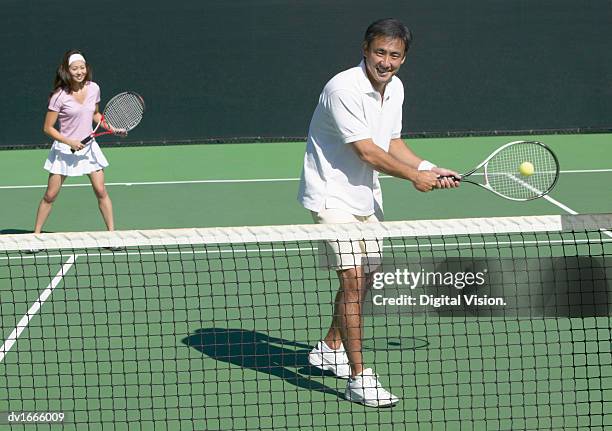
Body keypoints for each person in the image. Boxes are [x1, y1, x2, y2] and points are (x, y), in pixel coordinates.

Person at [297, 18, 459, 407]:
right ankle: (358, 377)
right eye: (380, 52)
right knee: (353, 281)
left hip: (366, 198)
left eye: (395, 55)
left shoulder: (396, 88)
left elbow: (393, 143)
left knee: (365, 281)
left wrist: (427, 168)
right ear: (365, 50)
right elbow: (367, 152)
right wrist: (412, 179)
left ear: (404, 58)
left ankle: (329, 347)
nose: (386, 62)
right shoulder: (342, 89)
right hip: (331, 197)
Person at [33, 49, 115, 234]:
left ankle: (112, 234)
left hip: (88, 149)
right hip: (64, 149)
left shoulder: (94, 88)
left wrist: (111, 126)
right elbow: (48, 128)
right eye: (75, 68)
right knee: (50, 195)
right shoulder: (58, 96)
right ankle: (35, 235)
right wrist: (69, 141)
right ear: (67, 71)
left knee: (101, 190)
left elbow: (95, 114)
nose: (80, 72)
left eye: (82, 68)